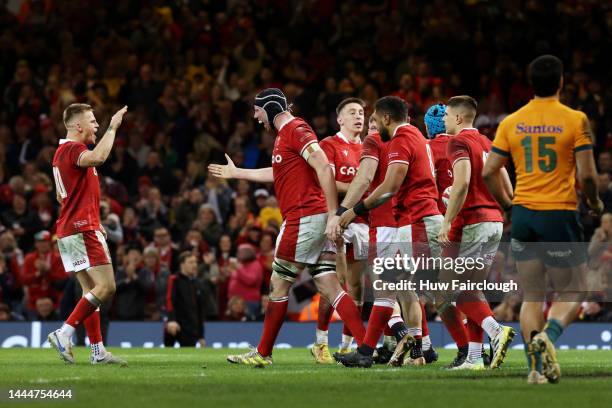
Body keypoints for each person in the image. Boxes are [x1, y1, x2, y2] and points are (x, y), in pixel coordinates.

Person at [208, 88, 365, 366]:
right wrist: (237, 173)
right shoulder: (285, 136)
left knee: (279, 283)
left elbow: (324, 167)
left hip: (304, 218)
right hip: (312, 217)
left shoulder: (296, 128)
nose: (257, 118)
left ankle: (263, 353)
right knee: (330, 286)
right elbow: (279, 172)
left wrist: (333, 213)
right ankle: (366, 348)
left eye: (257, 111)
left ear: (269, 107)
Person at [483, 55, 603, 384]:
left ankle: (535, 370)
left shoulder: (512, 121)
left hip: (523, 214)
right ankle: (547, 336)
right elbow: (589, 175)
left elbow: (489, 171)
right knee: (574, 289)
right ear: (561, 82)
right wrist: (593, 201)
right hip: (559, 214)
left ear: (531, 83)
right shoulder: (575, 119)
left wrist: (509, 207)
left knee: (532, 293)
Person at [337, 96, 442, 368]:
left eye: (367, 115)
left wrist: (348, 211)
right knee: (406, 289)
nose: (365, 121)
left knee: (388, 288)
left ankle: (366, 350)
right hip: (412, 219)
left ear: (382, 119)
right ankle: (421, 349)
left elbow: (368, 179)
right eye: (356, 113)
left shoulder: (381, 140)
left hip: (392, 223)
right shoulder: (417, 136)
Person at [437, 95, 516, 370]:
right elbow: (505, 180)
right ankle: (473, 357)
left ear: (458, 118)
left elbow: (462, 182)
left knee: (449, 289)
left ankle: (496, 331)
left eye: (447, 115)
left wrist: (447, 221)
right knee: (472, 290)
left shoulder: (457, 142)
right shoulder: (486, 142)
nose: (444, 120)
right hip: (494, 221)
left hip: (472, 221)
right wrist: (506, 210)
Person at [47, 103, 128, 365]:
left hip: (70, 229)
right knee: (107, 287)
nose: (97, 126)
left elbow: (63, 196)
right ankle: (64, 333)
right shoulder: (73, 149)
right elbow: (99, 158)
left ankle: (97, 351)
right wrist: (113, 127)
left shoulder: (61, 153)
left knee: (89, 292)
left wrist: (94, 218)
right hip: (82, 229)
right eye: (93, 121)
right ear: (78, 126)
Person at [312, 97, 369, 363]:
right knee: (338, 283)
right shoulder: (329, 144)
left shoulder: (369, 147)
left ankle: (347, 345)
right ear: (340, 119)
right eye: (352, 112)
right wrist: (363, 188)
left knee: (357, 286)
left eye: (362, 113)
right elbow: (329, 181)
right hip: (337, 218)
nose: (359, 117)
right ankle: (321, 342)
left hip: (362, 222)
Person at [165, 252, 206, 347]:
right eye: (191, 262)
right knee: (167, 357)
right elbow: (169, 300)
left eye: (195, 262)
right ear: (182, 264)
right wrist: (171, 320)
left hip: (191, 328)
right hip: (175, 325)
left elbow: (200, 310)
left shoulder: (197, 283)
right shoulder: (174, 279)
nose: (195, 265)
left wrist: (201, 335)